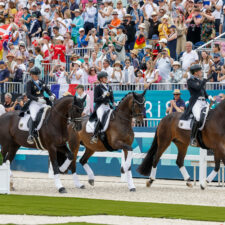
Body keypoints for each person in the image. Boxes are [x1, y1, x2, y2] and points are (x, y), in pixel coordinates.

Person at [182, 64, 212, 147]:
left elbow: (203, 92)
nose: (201, 72)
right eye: (200, 71)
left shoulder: (199, 81)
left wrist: (209, 96)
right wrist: (204, 80)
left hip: (204, 102)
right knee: (198, 118)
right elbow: (198, 88)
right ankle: (192, 138)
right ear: (195, 72)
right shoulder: (190, 81)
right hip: (196, 102)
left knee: (211, 116)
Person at [25, 67, 55, 144]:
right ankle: (30, 135)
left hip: (43, 102)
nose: (37, 76)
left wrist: (51, 95)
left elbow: (48, 90)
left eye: (38, 75)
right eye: (35, 75)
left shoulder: (41, 81)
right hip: (34, 103)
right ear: (31, 75)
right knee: (34, 116)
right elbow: (28, 95)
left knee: (50, 112)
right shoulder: (29, 83)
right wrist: (37, 99)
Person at [90, 71, 115, 144]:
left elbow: (111, 97)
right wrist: (103, 96)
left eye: (106, 77)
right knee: (100, 118)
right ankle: (95, 135)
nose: (106, 78)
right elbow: (95, 100)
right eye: (105, 77)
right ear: (101, 79)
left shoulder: (109, 87)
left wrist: (113, 102)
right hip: (100, 106)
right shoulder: (97, 87)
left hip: (107, 105)